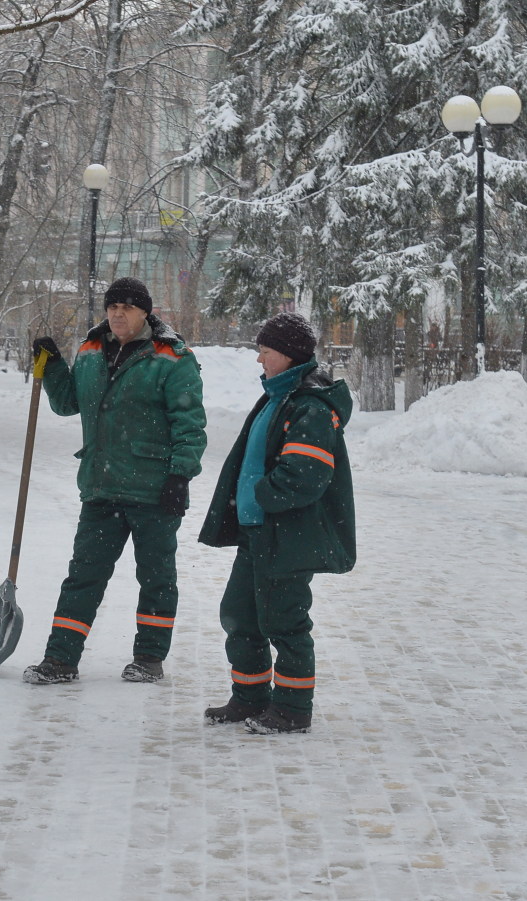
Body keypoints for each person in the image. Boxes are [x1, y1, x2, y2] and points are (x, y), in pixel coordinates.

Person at [21, 276, 207, 685]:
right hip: (101, 485)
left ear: (146, 312)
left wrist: (179, 476)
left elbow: (190, 425)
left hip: (153, 489)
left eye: (127, 306)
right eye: (112, 306)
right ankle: (60, 659)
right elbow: (70, 402)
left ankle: (149, 657)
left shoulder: (172, 357)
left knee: (156, 576)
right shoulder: (90, 350)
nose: (118, 313)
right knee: (84, 574)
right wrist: (51, 365)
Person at [199, 312, 356, 734]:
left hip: (286, 535)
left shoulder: (310, 406)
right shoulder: (278, 396)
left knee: (284, 623)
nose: (259, 360)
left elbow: (307, 474)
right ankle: (249, 697)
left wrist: (263, 495)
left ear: (286, 356)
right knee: (239, 615)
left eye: (264, 352)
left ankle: (291, 709)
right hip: (258, 532)